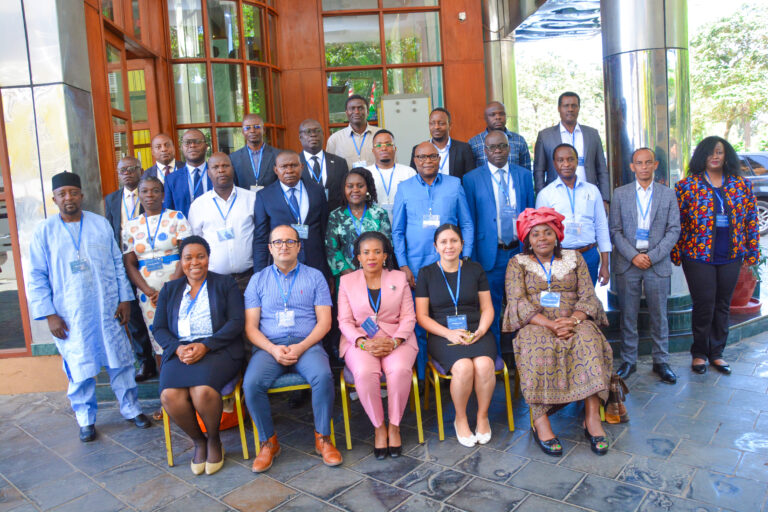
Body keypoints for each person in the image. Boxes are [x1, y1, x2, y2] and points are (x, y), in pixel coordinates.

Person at [28, 171, 151, 442]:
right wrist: (50, 315)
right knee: (79, 366)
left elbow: (118, 264)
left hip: (107, 309)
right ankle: (85, 419)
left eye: (73, 192)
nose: (68, 198)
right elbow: (36, 275)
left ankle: (131, 409)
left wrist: (125, 299)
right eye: (62, 194)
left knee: (120, 362)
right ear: (54, 199)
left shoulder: (99, 224)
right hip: (69, 313)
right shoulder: (44, 231)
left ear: (82, 195)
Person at [503, 207, 612, 457]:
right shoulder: (517, 263)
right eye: (536, 234)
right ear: (528, 240)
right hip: (535, 323)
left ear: (557, 236)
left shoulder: (575, 258)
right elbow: (517, 300)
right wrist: (551, 325)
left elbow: (588, 295)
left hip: (575, 319)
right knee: (535, 349)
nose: (542, 238)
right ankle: (540, 421)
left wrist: (572, 320)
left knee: (589, 342)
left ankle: (592, 418)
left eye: (547, 233)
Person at [244, 225, 342, 472]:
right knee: (251, 384)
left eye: (290, 241)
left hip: (307, 344)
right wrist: (273, 349)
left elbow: (325, 322)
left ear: (299, 246)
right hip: (270, 348)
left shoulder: (315, 277)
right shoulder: (257, 280)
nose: (284, 246)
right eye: (278, 242)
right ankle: (268, 443)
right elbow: (251, 328)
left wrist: (301, 346)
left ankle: (323, 438)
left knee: (323, 376)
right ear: (270, 248)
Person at [153, 236, 245, 476]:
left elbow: (237, 322)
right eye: (188, 257)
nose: (195, 262)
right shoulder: (170, 289)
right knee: (169, 395)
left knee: (201, 390)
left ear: (208, 258)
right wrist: (177, 348)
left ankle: (214, 440)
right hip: (180, 351)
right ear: (181, 261)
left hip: (219, 349)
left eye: (200, 256)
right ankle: (198, 441)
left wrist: (206, 346)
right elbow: (159, 328)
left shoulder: (225, 284)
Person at [672, 136, 759, 375]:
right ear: (702, 156)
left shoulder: (742, 185)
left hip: (731, 254)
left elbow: (751, 221)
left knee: (723, 304)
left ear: (726, 155)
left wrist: (752, 251)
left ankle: (717, 353)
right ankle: (699, 353)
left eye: (719, 152)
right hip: (697, 255)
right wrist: (676, 251)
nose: (715, 156)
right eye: (710, 152)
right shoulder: (687, 186)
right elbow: (677, 222)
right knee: (703, 305)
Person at [392, 142, 474, 377]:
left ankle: (453, 369)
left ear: (439, 159)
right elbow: (397, 231)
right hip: (416, 267)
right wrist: (403, 265)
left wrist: (465, 258)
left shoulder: (454, 184)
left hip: (451, 266)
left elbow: (466, 223)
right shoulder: (405, 188)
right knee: (418, 324)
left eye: (432, 156)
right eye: (421, 157)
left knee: (449, 316)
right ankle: (420, 377)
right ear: (414, 160)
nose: (427, 160)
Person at [415, 225, 496, 447]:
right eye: (443, 242)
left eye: (454, 241)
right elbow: (422, 316)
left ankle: (482, 416)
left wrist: (481, 329)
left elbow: (487, 308)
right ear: (436, 246)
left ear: (462, 244)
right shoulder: (426, 273)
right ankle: (460, 419)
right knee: (463, 367)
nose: (449, 246)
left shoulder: (475, 269)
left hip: (475, 330)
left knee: (484, 365)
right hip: (442, 333)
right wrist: (448, 333)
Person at [337, 232, 417, 459]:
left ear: (385, 256)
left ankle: (394, 426)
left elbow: (409, 317)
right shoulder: (347, 282)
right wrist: (362, 343)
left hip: (397, 339)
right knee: (364, 372)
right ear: (358, 257)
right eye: (365, 252)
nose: (371, 256)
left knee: (400, 370)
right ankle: (379, 427)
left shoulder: (399, 279)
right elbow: (344, 321)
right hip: (360, 342)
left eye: (377, 251)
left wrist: (395, 341)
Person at [610, 148, 680, 384]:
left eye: (648, 162)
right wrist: (633, 256)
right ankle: (629, 360)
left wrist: (653, 255)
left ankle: (661, 361)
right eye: (639, 163)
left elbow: (674, 230)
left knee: (659, 315)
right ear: (632, 167)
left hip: (656, 262)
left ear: (655, 164)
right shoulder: (619, 194)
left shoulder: (668, 194)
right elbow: (615, 231)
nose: (643, 167)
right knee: (628, 315)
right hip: (628, 262)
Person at [463, 130, 535, 354]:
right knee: (491, 308)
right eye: (492, 147)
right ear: (485, 151)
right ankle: (494, 357)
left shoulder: (523, 175)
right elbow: (470, 220)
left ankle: (522, 356)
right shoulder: (472, 178)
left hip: (518, 252)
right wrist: (472, 259)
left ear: (509, 148)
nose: (498, 151)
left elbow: (530, 214)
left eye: (502, 146)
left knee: (521, 305)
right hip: (489, 254)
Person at [122, 175, 190, 355]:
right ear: (139, 196)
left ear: (163, 195)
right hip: (147, 292)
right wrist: (149, 291)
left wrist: (167, 291)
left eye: (155, 190)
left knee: (181, 330)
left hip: (177, 287)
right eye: (144, 191)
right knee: (157, 336)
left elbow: (186, 255)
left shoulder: (177, 217)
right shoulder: (131, 226)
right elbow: (129, 264)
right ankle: (165, 379)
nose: (150, 195)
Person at [104, 157, 155, 382]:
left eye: (132, 169)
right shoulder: (112, 199)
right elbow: (110, 232)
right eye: (123, 170)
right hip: (125, 263)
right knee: (134, 316)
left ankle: (164, 357)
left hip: (151, 261)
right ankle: (145, 362)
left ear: (141, 171)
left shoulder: (151, 194)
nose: (127, 173)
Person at [536, 144, 611, 286]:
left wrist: (605, 265)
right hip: (559, 257)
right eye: (561, 160)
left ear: (577, 161)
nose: (566, 164)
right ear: (554, 163)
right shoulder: (545, 195)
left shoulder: (592, 191)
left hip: (589, 256)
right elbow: (540, 235)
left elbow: (601, 227)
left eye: (570, 159)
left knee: (587, 303)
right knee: (563, 305)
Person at [253, 151, 329, 277]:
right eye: (284, 167)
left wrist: (328, 270)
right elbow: (261, 238)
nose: (289, 170)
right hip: (282, 266)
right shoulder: (264, 196)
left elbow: (325, 231)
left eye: (294, 165)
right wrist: (260, 274)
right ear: (276, 170)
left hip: (316, 264)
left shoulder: (317, 191)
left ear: (302, 167)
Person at [188, 152, 256, 293]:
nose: (221, 170)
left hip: (249, 277)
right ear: (208, 172)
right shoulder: (198, 205)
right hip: (214, 280)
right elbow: (196, 242)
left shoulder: (252, 199)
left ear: (233, 169)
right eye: (215, 167)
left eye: (225, 166)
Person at [533, 92, 610, 206]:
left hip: (588, 197)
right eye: (566, 106)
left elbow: (602, 169)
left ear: (579, 108)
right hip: (556, 198)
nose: (570, 109)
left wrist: (604, 199)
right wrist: (542, 197)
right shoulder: (545, 136)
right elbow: (539, 171)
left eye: (574, 105)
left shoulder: (592, 134)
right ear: (559, 108)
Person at [325, 168, 392, 286]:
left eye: (360, 186)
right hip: (347, 278)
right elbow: (331, 249)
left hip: (377, 276)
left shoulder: (379, 214)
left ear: (368, 188)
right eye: (350, 186)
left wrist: (372, 273)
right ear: (344, 189)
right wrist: (350, 274)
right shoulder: (336, 215)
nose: (355, 190)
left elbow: (387, 246)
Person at [409, 107, 476, 180]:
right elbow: (414, 177)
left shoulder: (463, 149)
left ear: (450, 125)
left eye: (441, 123)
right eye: (432, 123)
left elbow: (470, 178)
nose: (436, 127)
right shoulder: (418, 149)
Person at [298, 118, 349, 212]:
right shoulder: (293, 165)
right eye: (308, 132)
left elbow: (345, 193)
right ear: (300, 137)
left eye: (317, 131)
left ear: (323, 135)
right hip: (306, 220)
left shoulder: (340, 163)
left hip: (334, 218)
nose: (313, 135)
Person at [365, 130, 416, 221]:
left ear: (395, 148)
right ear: (373, 150)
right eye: (379, 145)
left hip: (403, 223)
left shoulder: (409, 172)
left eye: (388, 144)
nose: (383, 148)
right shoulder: (365, 173)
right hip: (374, 225)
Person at [468, 101, 531, 170]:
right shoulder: (474, 143)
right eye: (492, 115)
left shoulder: (519, 140)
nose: (498, 117)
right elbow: (471, 174)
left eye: (501, 114)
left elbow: (526, 171)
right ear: (485, 118)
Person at [163, 129, 212, 217]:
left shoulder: (218, 174)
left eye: (197, 142)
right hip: (184, 229)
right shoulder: (171, 179)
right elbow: (168, 212)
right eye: (187, 142)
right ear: (181, 148)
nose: (192, 145)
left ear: (206, 146)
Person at [326, 94, 381, 169]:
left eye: (360, 108)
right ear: (346, 113)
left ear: (367, 112)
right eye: (352, 108)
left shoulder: (380, 135)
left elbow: (391, 162)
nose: (356, 112)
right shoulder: (335, 139)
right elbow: (330, 169)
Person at [230, 113, 280, 191]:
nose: (252, 131)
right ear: (243, 132)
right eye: (247, 128)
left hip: (271, 201)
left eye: (257, 127)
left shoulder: (278, 155)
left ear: (264, 130)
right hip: (245, 201)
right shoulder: (233, 158)